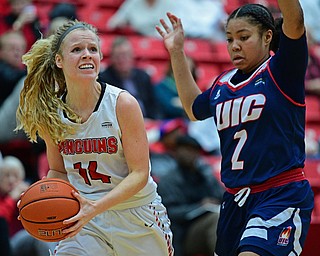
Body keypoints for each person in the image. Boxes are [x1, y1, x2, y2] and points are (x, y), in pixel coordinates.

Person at [156, 0, 314, 255]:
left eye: (244, 37)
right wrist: (176, 52)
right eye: (229, 39)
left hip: (279, 193)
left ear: (267, 37)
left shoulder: (282, 71)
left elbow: (294, 21)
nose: (234, 45)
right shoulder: (222, 84)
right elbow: (193, 109)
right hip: (234, 199)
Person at [16, 20, 173, 256]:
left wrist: (96, 207)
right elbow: (59, 171)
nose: (87, 55)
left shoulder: (122, 103)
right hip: (84, 219)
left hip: (137, 215)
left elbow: (140, 174)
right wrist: (42, 194)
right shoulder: (51, 112)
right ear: (59, 60)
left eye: (93, 49)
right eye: (77, 50)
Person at [157, 134, 225, 256]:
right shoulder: (169, 180)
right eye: (186, 149)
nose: (190, 154)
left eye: (193, 150)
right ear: (176, 152)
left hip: (207, 223)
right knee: (215, 219)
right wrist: (200, 207)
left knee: (227, 217)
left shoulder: (205, 175)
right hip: (183, 233)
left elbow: (222, 198)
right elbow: (169, 213)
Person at [98, 36, 159, 119]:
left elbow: (154, 107)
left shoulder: (143, 76)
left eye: (125, 55)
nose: (122, 59)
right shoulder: (104, 80)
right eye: (118, 56)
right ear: (111, 58)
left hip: (148, 122)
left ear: (132, 55)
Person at [107, 0, 174, 37]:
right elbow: (112, 23)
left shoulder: (168, 3)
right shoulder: (132, 2)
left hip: (161, 40)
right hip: (137, 38)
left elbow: (169, 27)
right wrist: (122, 24)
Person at [0, 30, 27, 107]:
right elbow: (10, 78)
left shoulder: (22, 69)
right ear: (1, 51)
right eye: (12, 48)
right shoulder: (2, 69)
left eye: (20, 48)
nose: (17, 53)